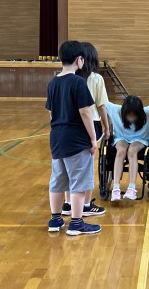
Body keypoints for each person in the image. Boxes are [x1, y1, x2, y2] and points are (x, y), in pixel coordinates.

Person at [46, 41, 101, 236]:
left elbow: (51, 113)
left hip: (57, 137)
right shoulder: (78, 82)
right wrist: (93, 139)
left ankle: (55, 219)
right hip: (76, 139)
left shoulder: (53, 82)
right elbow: (85, 112)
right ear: (79, 60)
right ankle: (76, 223)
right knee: (78, 181)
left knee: (58, 180)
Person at [62, 42, 110, 217]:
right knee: (87, 167)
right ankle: (87, 205)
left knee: (69, 166)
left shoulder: (68, 77)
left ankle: (68, 203)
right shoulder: (96, 78)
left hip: (69, 126)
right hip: (91, 124)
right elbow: (101, 106)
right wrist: (107, 127)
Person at [106, 96, 149, 201]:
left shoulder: (147, 112)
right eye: (129, 114)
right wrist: (106, 127)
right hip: (121, 137)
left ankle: (132, 189)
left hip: (140, 139)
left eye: (134, 114)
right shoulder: (116, 110)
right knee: (121, 151)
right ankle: (116, 189)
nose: (131, 116)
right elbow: (102, 105)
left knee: (132, 151)